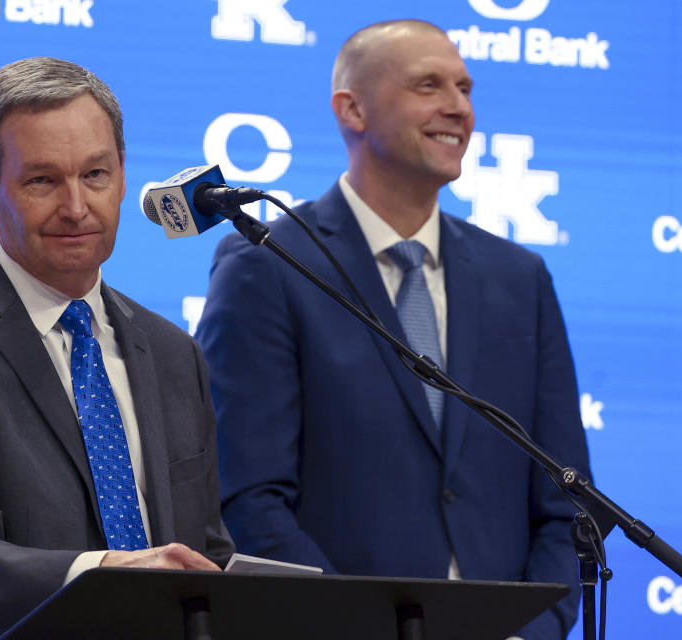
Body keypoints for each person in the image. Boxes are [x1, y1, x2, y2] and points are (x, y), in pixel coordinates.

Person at [195, 20, 590, 639]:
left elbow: (566, 501)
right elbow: (249, 497)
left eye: (465, 87)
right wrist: (363, 628)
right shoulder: (268, 266)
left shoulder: (520, 278)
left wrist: (527, 632)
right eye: (429, 85)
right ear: (351, 109)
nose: (458, 107)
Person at [0, 57, 233, 639]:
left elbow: (205, 552)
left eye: (95, 175)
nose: (76, 207)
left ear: (124, 176)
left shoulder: (174, 352)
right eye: (43, 180)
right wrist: (108, 574)